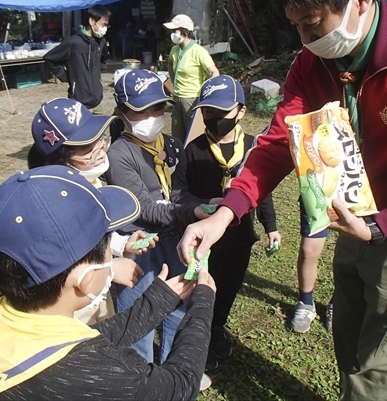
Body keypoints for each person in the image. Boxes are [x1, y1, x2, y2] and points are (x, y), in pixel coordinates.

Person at [177, 0, 387, 399]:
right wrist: (226, 213)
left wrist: (383, 223)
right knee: (347, 336)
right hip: (351, 216)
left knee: (380, 368)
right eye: (297, 27)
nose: (305, 39)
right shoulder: (313, 62)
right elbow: (274, 144)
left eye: (312, 24)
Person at [0, 165, 217, 400]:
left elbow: (87, 342)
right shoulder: (105, 374)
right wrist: (202, 304)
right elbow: (179, 385)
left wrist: (157, 301)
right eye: (107, 244)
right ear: (86, 281)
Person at [105, 69, 217, 389]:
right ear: (121, 113)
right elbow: (146, 208)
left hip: (176, 236)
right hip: (138, 244)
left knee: (178, 304)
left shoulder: (170, 143)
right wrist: (190, 210)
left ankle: (176, 369)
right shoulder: (118, 154)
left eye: (157, 108)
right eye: (141, 110)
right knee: (138, 313)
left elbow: (179, 192)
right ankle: (142, 380)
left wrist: (205, 203)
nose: (151, 116)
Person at [27, 97, 158, 325]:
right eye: (87, 147)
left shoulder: (91, 182)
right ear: (59, 157)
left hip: (97, 297)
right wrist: (109, 270)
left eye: (100, 139)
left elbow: (94, 232)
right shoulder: (47, 204)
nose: (100, 150)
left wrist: (119, 244)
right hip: (68, 312)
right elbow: (51, 269)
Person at [185, 75, 282, 371]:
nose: (213, 120)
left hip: (240, 238)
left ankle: (217, 328)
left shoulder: (254, 147)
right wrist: (198, 207)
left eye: (221, 113)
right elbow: (182, 193)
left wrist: (271, 226)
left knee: (228, 289)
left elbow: (260, 191)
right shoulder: (195, 149)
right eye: (207, 113)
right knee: (204, 291)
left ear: (241, 110)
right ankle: (200, 338)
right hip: (207, 242)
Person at [43, 5, 111, 112]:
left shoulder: (100, 41)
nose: (105, 28)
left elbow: (105, 58)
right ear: (92, 21)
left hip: (97, 101)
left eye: (107, 25)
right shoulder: (74, 42)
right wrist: (66, 76)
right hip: (79, 102)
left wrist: (97, 73)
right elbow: (50, 58)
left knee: (100, 128)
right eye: (103, 25)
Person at [163, 14, 219, 141]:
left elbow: (214, 72)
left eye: (175, 30)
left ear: (185, 31)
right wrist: (172, 82)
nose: (172, 34)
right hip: (176, 98)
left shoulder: (198, 51)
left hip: (192, 99)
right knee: (177, 136)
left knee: (193, 137)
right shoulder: (175, 50)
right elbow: (170, 63)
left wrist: (208, 95)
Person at [290, 199, 331, 333]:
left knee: (350, 250)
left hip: (356, 190)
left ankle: (339, 303)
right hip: (317, 189)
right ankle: (306, 302)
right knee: (309, 251)